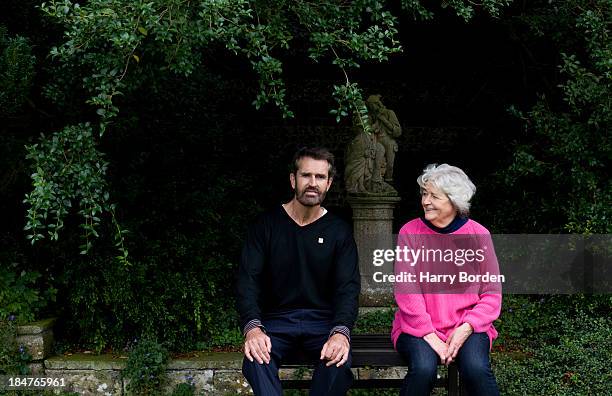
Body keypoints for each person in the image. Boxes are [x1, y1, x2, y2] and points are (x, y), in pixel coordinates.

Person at [237, 147, 361, 396]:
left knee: (338, 361)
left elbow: (347, 288)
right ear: (293, 179)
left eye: (320, 177)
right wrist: (252, 328)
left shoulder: (339, 231)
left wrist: (340, 332)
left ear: (329, 183)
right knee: (255, 360)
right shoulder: (266, 226)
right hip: (276, 322)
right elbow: (247, 280)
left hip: (323, 323)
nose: (313, 183)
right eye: (306, 175)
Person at [392, 164, 502, 396]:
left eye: (434, 196)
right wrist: (430, 336)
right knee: (423, 369)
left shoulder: (478, 235)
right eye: (424, 193)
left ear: (454, 201)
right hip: (417, 327)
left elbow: (492, 294)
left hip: (467, 325)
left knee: (475, 368)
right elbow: (406, 291)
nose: (425, 201)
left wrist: (465, 328)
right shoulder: (409, 233)